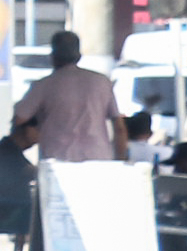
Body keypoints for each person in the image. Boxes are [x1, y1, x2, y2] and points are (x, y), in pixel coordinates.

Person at [10, 30, 129, 164]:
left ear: (53, 56)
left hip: (57, 161)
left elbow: (20, 118)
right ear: (79, 56)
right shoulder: (102, 82)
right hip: (98, 160)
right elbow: (119, 127)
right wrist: (121, 160)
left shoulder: (44, 85)